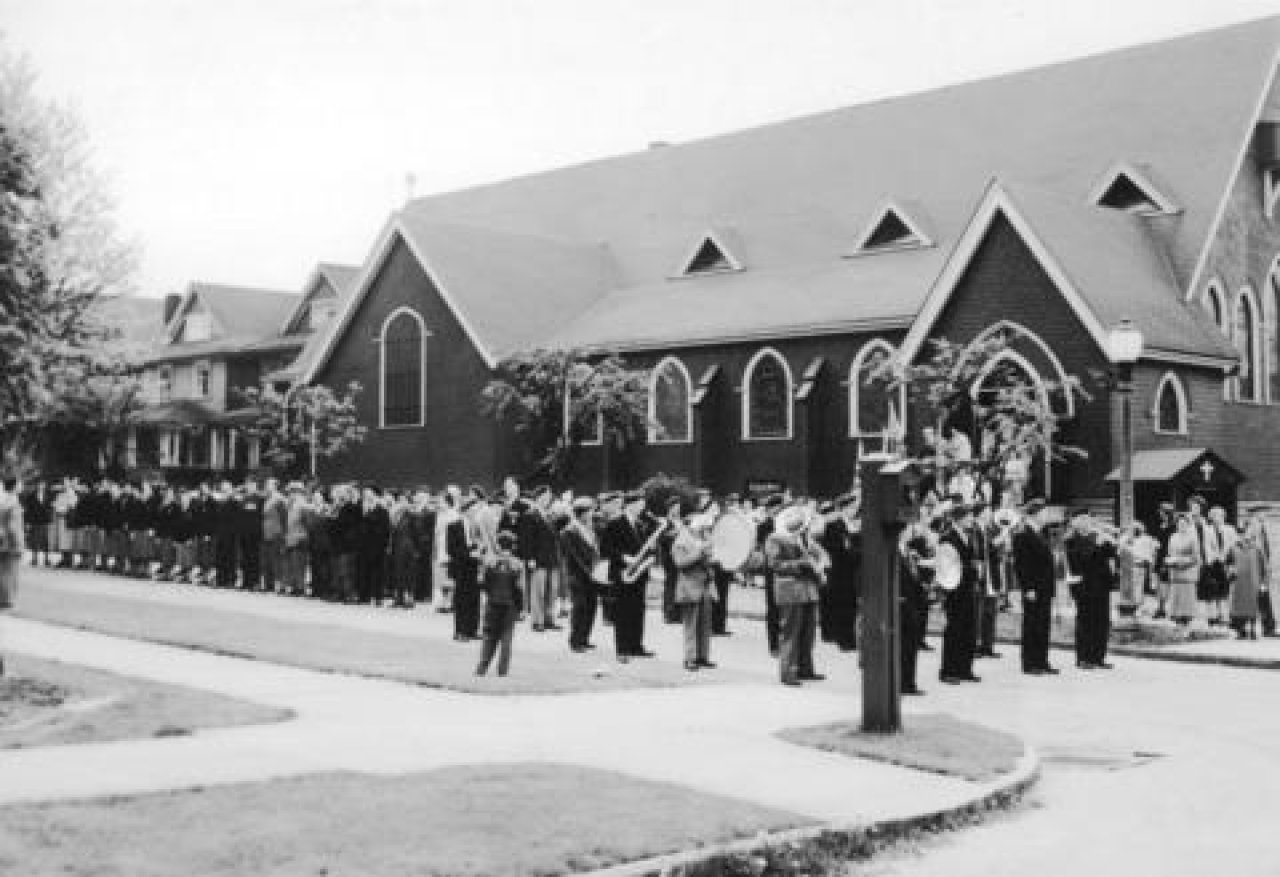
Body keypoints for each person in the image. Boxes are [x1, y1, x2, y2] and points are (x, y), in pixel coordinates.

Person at [766, 504, 827, 686]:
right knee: (790, 633)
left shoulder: (805, 538)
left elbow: (822, 554)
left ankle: (805, 669)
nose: (805, 527)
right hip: (790, 590)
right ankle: (788, 673)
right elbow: (775, 565)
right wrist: (801, 564)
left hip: (808, 590)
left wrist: (821, 564)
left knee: (808, 633)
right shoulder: (775, 538)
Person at [602, 490, 657, 662]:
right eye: (640, 505)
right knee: (623, 612)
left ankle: (636, 646)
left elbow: (644, 548)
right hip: (622, 573)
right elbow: (605, 548)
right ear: (631, 505)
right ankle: (623, 649)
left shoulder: (640, 525)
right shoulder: (615, 523)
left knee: (638, 610)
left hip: (639, 573)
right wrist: (624, 557)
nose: (642, 508)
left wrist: (651, 553)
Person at [1064, 508, 1118, 669]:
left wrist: (1110, 541)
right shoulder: (1071, 540)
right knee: (1085, 622)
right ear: (1076, 522)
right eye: (1084, 519)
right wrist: (1097, 545)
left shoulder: (1095, 536)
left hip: (1102, 585)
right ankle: (1083, 658)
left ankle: (1098, 657)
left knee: (1102, 622)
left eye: (1088, 519)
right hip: (1084, 586)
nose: (1088, 522)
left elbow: (1110, 554)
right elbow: (1079, 562)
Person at [1012, 498, 1058, 675]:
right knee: (1032, 624)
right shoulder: (1023, 534)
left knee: (1043, 624)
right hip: (1033, 587)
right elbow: (1022, 564)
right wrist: (1028, 587)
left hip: (1044, 586)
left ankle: (1042, 660)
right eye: (1044, 512)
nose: (1046, 515)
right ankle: (1030, 662)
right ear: (1035, 513)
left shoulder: (1041, 533)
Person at [938, 503, 981, 684]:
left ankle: (965, 668)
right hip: (955, 591)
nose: (972, 519)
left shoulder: (969, 536)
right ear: (959, 518)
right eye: (969, 516)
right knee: (954, 630)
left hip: (968, 589)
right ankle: (948, 670)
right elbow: (946, 564)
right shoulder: (948, 538)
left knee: (968, 629)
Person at [671, 506, 717, 672]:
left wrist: (712, 557)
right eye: (701, 524)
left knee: (705, 624)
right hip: (689, 586)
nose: (705, 527)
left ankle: (703, 656)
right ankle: (689, 658)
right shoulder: (681, 540)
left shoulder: (703, 537)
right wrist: (699, 552)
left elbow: (711, 559)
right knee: (690, 624)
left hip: (705, 584)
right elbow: (680, 563)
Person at [474, 531, 525, 677]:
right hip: (510, 606)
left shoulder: (489, 562)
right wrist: (521, 608)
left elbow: (482, 583)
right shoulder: (517, 564)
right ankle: (502, 672)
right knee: (506, 640)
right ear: (513, 546)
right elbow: (519, 589)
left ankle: (481, 668)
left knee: (489, 637)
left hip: (492, 603)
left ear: (498, 544)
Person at [819, 493, 860, 652]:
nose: (855, 510)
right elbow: (837, 550)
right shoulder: (834, 525)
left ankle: (848, 637)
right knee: (843, 605)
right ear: (844, 508)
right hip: (839, 571)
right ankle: (844, 640)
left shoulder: (851, 525)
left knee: (850, 605)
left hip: (850, 571)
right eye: (852, 507)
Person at [560, 496, 601, 652]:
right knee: (580, 607)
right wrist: (589, 572)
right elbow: (574, 557)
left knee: (592, 606)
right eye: (589, 511)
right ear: (581, 513)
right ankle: (575, 641)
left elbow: (595, 551)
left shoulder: (590, 529)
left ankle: (584, 638)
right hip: (576, 575)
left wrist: (597, 570)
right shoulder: (569, 531)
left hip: (592, 574)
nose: (592, 514)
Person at [518, 486, 562, 631]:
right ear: (538, 497)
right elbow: (526, 539)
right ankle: (537, 621)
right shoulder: (530, 514)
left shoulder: (550, 514)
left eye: (549, 497)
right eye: (545, 496)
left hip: (552, 558)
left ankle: (549, 619)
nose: (547, 499)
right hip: (538, 558)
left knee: (552, 590)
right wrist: (529, 557)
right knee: (539, 591)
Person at [1228, 522, 1267, 639]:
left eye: (1244, 533)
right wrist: (1230, 571)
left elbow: (1263, 567)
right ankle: (1241, 630)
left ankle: (1253, 629)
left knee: (1253, 606)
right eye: (1240, 533)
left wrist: (1264, 583)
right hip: (1239, 582)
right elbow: (1228, 563)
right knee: (1239, 606)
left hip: (1253, 582)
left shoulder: (1257, 548)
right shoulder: (1233, 548)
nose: (1242, 536)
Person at [1165, 513, 1202, 626]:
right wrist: (1170, 561)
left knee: (1187, 600)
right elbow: (1170, 553)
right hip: (1175, 574)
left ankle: (1186, 622)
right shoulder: (1173, 537)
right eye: (1179, 523)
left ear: (1188, 524)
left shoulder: (1192, 538)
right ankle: (1177, 622)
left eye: (1184, 523)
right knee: (1176, 598)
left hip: (1187, 574)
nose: (1181, 526)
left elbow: (1196, 557)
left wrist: (1181, 562)